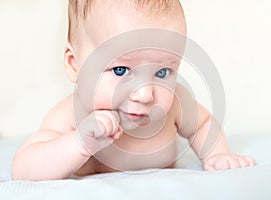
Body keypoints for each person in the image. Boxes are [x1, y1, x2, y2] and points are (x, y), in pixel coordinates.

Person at [11, 0, 255, 180]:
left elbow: (202, 124)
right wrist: (77, 144)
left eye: (162, 73)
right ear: (74, 64)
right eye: (120, 71)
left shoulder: (176, 105)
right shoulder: (71, 117)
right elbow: (23, 169)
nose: (145, 95)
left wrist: (216, 155)